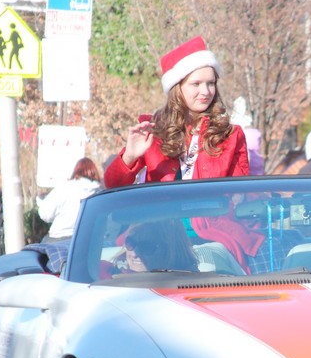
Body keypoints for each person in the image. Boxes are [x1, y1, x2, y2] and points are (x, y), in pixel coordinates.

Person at [104, 36, 248, 187]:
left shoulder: (230, 135)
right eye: (196, 84)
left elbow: (240, 192)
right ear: (177, 88)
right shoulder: (153, 132)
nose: (205, 91)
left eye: (211, 83)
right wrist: (130, 156)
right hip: (164, 211)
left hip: (214, 212)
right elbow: (112, 184)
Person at [99, 220, 199, 278]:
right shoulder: (100, 273)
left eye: (146, 246)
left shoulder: (194, 285)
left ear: (170, 250)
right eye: (130, 243)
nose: (134, 253)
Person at [36, 157, 101, 242]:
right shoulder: (100, 192)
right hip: (89, 238)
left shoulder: (64, 188)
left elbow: (45, 215)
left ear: (76, 171)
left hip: (59, 237)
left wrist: (41, 202)